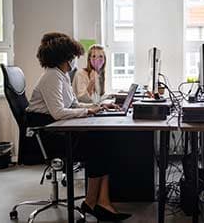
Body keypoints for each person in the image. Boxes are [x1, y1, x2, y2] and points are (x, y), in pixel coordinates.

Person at [26, 32, 131, 222]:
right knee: (100, 142)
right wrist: (89, 112)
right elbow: (58, 112)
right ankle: (94, 202)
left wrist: (97, 107)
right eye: (73, 56)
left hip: (57, 129)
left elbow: (73, 104)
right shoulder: (52, 77)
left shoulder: (62, 75)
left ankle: (100, 201)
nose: (75, 60)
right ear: (64, 57)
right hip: (47, 136)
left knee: (105, 138)